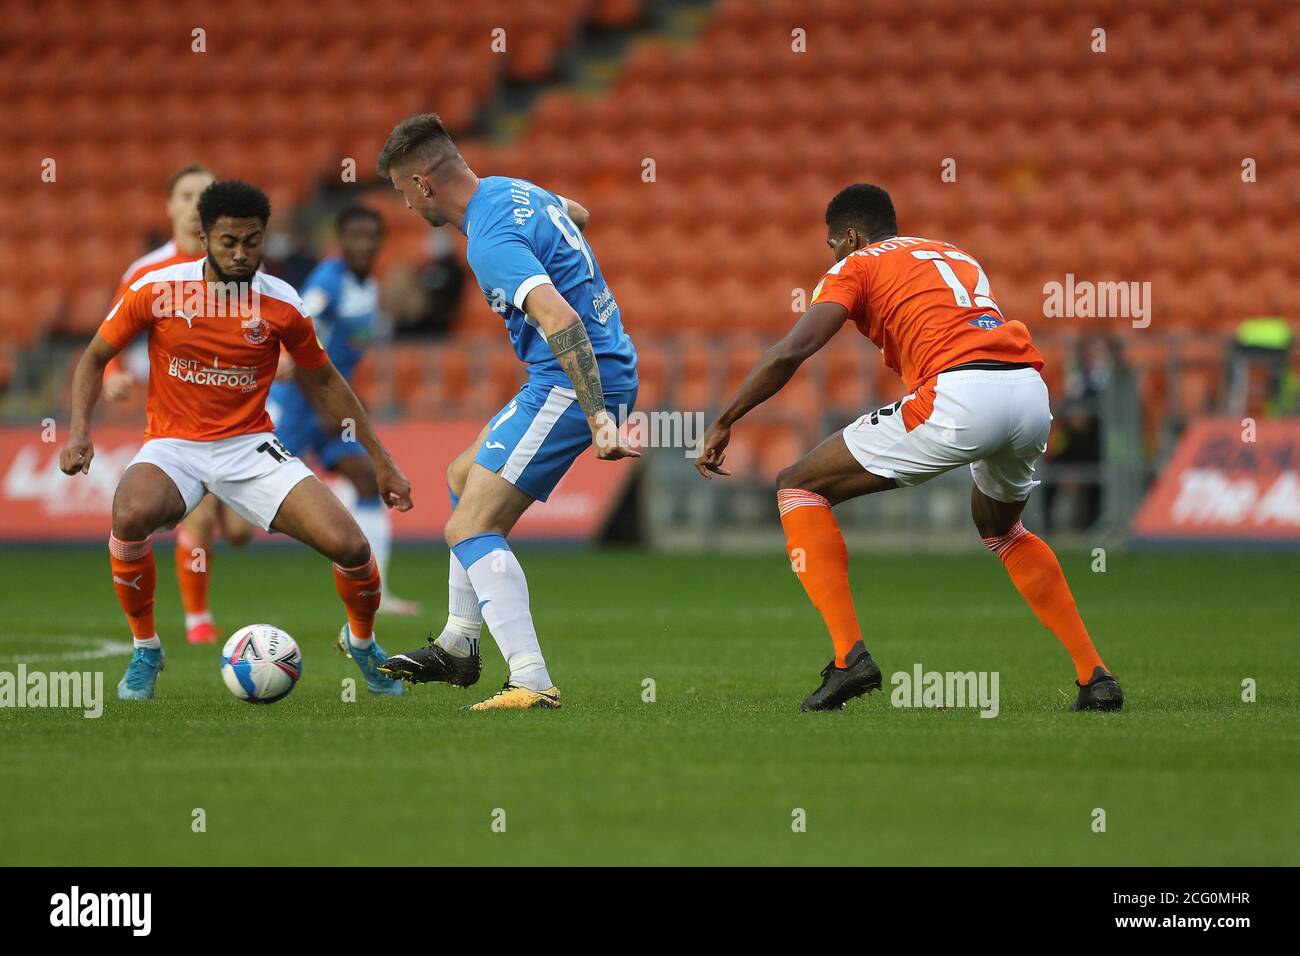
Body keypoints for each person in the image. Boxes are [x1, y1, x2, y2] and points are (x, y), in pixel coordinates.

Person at [695, 184, 1122, 713]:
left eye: (832, 244)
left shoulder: (856, 264)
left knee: (798, 485)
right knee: (1002, 528)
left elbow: (794, 349)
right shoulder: (954, 254)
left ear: (850, 235)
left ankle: (850, 658)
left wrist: (725, 418)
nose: (831, 255)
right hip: (1028, 391)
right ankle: (1095, 675)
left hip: (958, 395)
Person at [59, 180, 412, 700]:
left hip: (248, 446)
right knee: (129, 514)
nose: (241, 253)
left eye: (252, 241)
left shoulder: (282, 303)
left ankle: (362, 643)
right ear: (204, 238)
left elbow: (326, 381)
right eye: (229, 242)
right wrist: (78, 433)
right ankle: (146, 649)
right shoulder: (157, 290)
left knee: (351, 546)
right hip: (173, 446)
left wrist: (381, 460)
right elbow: (92, 357)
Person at [373, 113, 639, 710]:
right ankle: (459, 643)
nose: (408, 209)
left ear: (423, 184)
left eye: (401, 194)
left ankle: (531, 680)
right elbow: (578, 214)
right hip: (581, 370)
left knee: (470, 527)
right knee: (461, 477)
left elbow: (561, 319)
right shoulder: (514, 190)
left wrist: (600, 418)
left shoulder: (488, 242)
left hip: (574, 381)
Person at [104, 163, 259, 645]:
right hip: (178, 420)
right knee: (202, 515)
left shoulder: (242, 268)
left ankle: (198, 604)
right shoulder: (146, 272)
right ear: (169, 206)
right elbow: (108, 338)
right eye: (187, 194)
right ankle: (198, 622)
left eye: (204, 195)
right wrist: (112, 376)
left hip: (240, 417)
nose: (196, 204)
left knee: (237, 532)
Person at [268, 205, 421, 615]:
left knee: (369, 481)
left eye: (370, 236)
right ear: (341, 240)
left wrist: (348, 402)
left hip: (332, 409)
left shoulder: (367, 286)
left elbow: (345, 354)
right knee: (241, 515)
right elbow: (298, 344)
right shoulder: (326, 283)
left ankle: (379, 592)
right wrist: (322, 409)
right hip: (298, 408)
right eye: (354, 236)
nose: (363, 244)